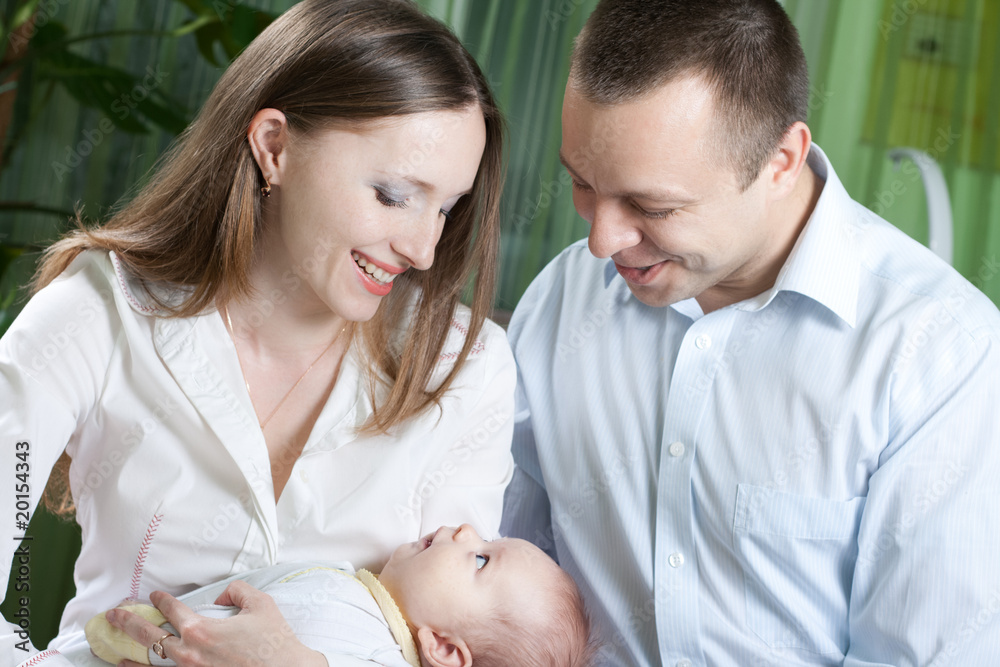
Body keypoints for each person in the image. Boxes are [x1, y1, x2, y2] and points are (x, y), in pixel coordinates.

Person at [1, 1, 516, 665]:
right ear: (274, 147)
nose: (423, 248)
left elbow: (460, 644)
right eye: (393, 194)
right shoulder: (98, 314)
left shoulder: (468, 367)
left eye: (446, 208)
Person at [500, 0, 1000, 665]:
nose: (602, 241)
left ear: (781, 160)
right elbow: (498, 579)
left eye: (652, 207)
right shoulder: (564, 299)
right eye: (582, 183)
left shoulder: (943, 356)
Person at [74, 524, 591, 667]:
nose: (467, 530)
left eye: (481, 559)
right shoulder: (357, 594)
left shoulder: (373, 652)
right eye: (489, 538)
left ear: (443, 648)